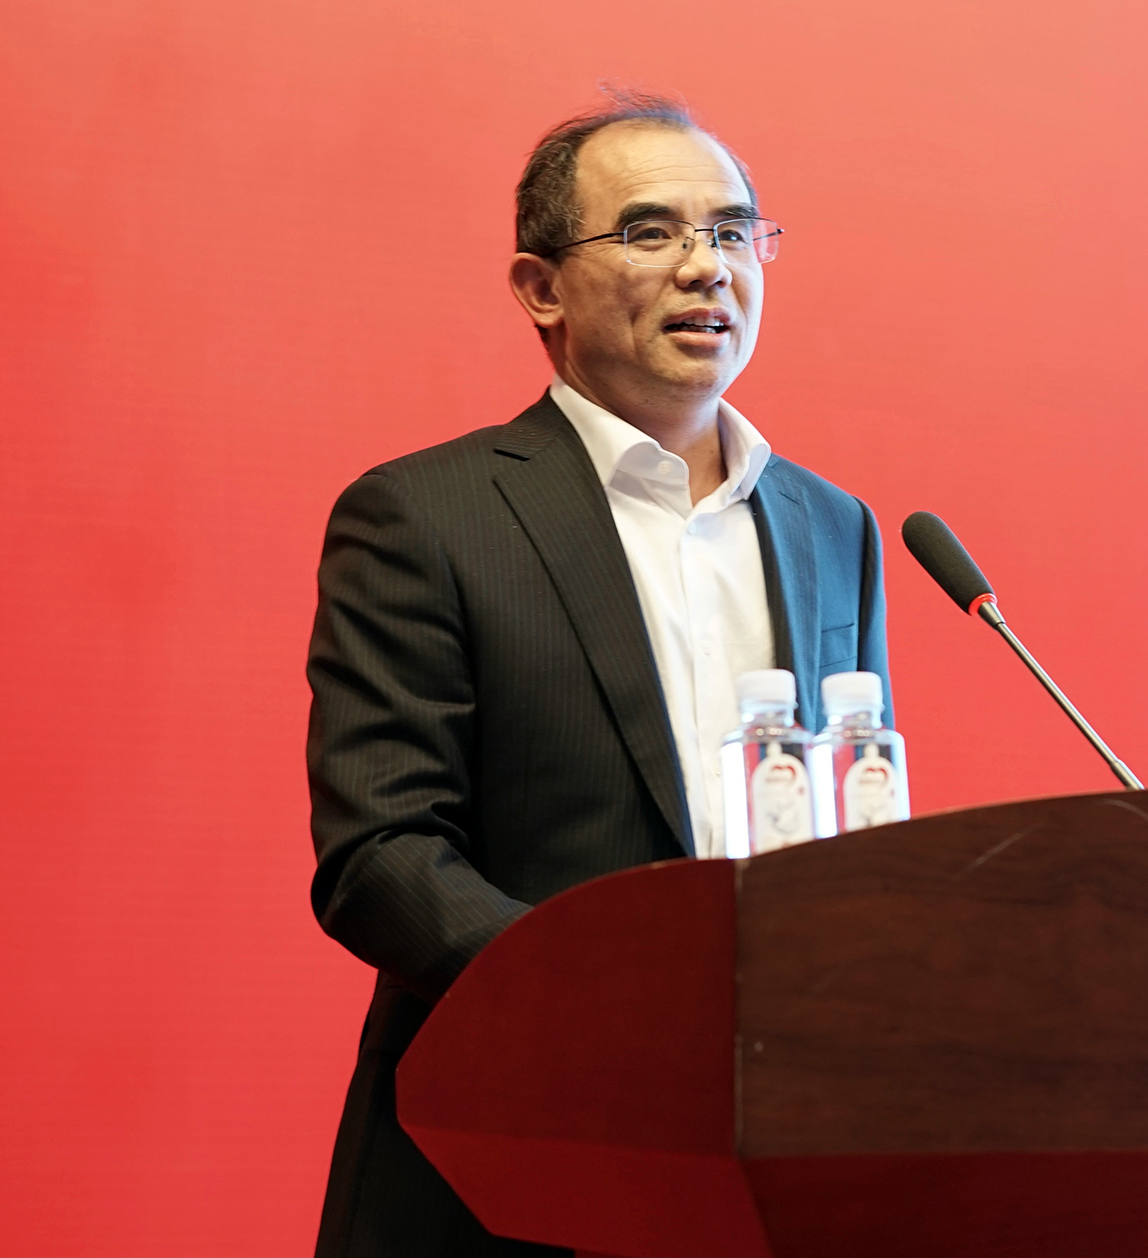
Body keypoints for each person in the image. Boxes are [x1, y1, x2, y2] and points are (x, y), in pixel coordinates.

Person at [305, 93, 891, 1256]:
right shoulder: (426, 517)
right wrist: (612, 1013)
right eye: (649, 231)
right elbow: (381, 856)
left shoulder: (834, 527)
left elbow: (847, 824)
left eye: (732, 231)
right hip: (502, 1161)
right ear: (540, 288)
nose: (706, 266)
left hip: (769, 1167)